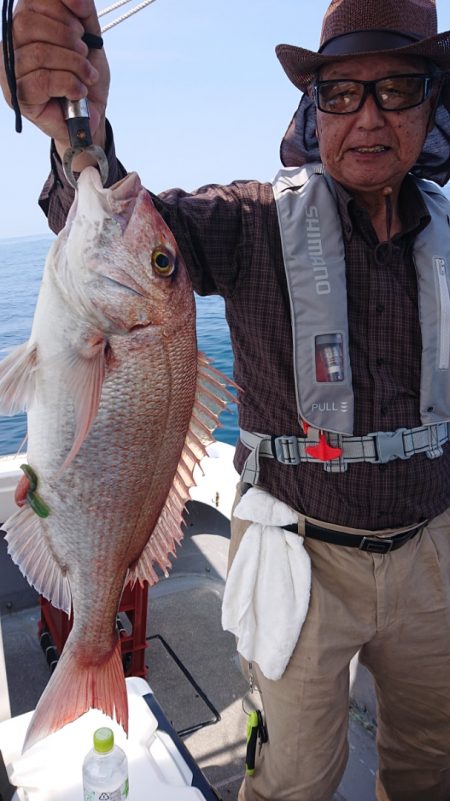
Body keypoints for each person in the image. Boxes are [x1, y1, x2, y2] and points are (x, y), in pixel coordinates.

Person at [2, 0, 450, 799]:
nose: (368, 117)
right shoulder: (252, 221)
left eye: (397, 88)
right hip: (300, 557)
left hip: (435, 553)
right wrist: (79, 135)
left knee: (432, 758)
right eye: (340, 92)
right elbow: (137, 235)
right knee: (294, 776)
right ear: (312, 109)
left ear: (434, 99)